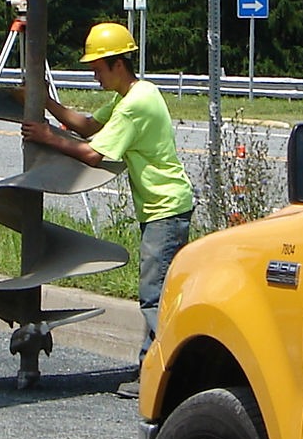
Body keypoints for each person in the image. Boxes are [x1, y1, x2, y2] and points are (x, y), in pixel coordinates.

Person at [19, 22, 195, 396]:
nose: (94, 76)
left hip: (165, 210)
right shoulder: (129, 96)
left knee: (154, 295)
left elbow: (95, 154)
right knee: (158, 292)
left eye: (97, 69)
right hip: (162, 209)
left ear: (117, 64)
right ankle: (162, 371)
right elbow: (88, 126)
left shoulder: (135, 105)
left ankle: (155, 378)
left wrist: (48, 137)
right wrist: (45, 102)